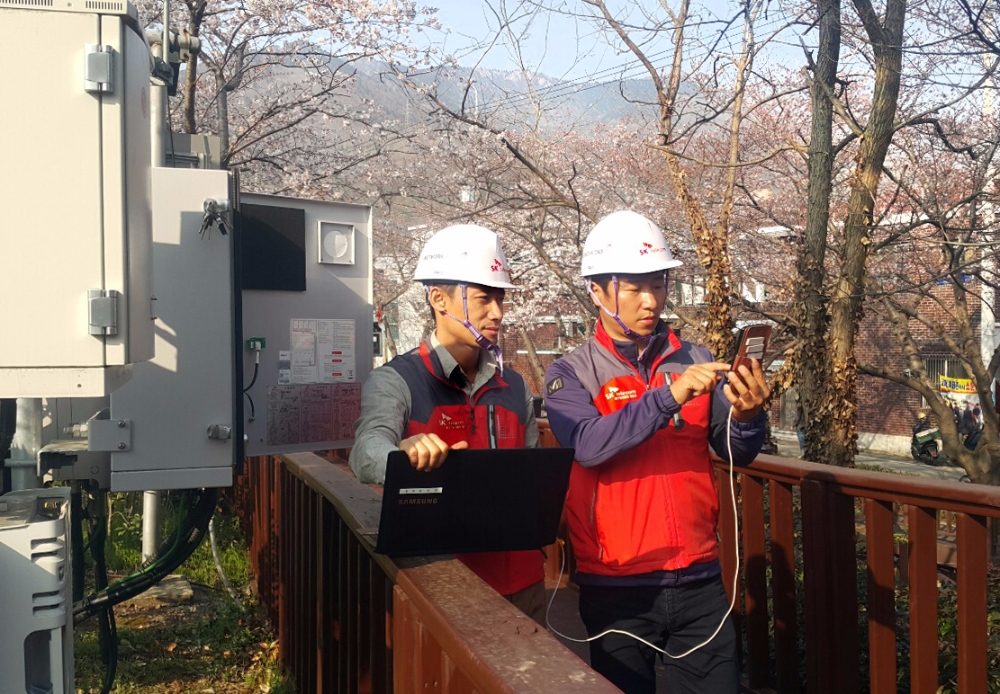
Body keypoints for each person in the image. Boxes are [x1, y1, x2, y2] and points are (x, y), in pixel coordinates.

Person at [543, 211, 770, 694]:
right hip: (616, 583)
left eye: (659, 285)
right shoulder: (570, 372)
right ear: (597, 291)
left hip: (700, 576)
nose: (651, 301)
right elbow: (587, 445)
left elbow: (735, 450)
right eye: (634, 288)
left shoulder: (696, 359)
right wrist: (669, 396)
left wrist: (749, 416)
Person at [348, 224, 546, 623]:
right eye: (484, 298)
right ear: (438, 298)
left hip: (525, 585)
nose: (497, 312)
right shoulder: (396, 380)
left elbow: (532, 477)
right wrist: (401, 455)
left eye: (500, 299)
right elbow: (366, 449)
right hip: (444, 588)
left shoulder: (516, 386)